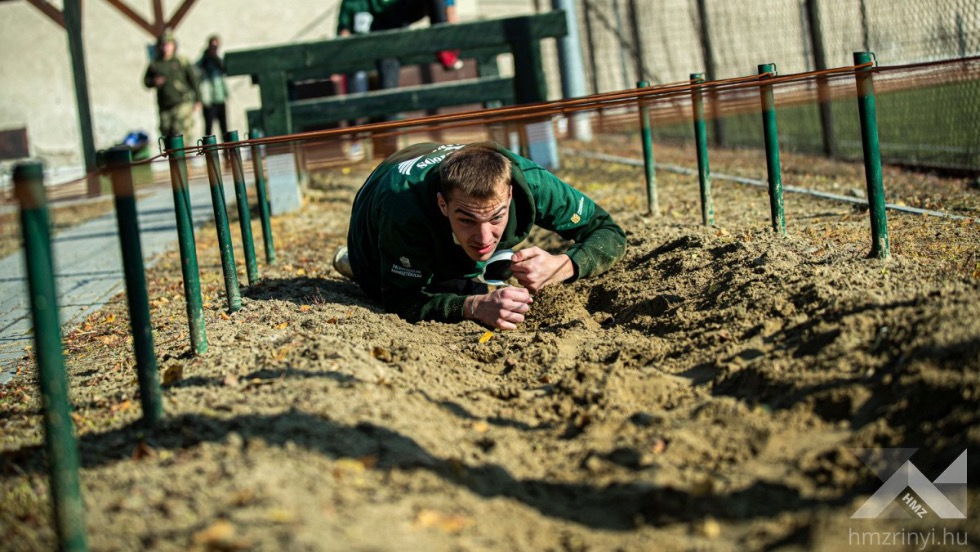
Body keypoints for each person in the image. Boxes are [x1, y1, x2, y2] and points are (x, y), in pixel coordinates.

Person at [333, 142, 627, 330]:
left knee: (472, 266)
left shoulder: (530, 181)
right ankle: (358, 264)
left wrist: (564, 265)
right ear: (442, 204)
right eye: (468, 219)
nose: (484, 236)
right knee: (394, 282)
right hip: (384, 194)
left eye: (496, 217)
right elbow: (400, 301)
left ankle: (475, 262)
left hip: (436, 190)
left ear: (510, 195)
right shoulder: (404, 209)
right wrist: (474, 307)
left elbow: (607, 230)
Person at [336, 0, 462, 95]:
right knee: (376, 71)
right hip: (377, 42)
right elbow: (344, 31)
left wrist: (450, 9)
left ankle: (444, 47)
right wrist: (340, 62)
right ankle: (387, 120)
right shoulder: (352, 3)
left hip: (400, 16)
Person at [143, 29, 201, 139]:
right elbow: (146, 82)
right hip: (165, 105)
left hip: (181, 102)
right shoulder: (156, 64)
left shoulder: (181, 61)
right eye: (164, 45)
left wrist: (198, 99)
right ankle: (173, 155)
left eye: (169, 45)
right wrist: (154, 82)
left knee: (180, 132)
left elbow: (194, 80)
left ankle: (183, 155)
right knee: (167, 132)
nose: (166, 48)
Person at [196, 34, 229, 139]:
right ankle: (209, 152)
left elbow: (225, 70)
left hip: (219, 98)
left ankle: (227, 151)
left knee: (224, 128)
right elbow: (195, 71)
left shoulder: (218, 60)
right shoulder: (204, 60)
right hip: (208, 100)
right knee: (209, 129)